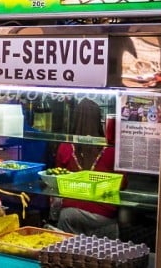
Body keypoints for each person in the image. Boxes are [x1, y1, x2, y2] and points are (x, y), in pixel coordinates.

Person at [54, 98, 125, 239]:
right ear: (99, 120)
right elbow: (122, 184)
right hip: (103, 216)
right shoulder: (111, 151)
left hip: (69, 214)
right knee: (101, 259)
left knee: (68, 257)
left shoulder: (65, 147)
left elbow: (56, 180)